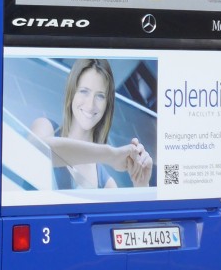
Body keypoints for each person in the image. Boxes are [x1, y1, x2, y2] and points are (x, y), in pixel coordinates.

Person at [30, 58, 153, 189]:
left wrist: (141, 184)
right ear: (72, 93)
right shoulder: (45, 127)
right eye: (84, 91)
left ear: (107, 105)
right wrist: (111, 155)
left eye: (100, 96)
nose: (90, 104)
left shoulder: (107, 185)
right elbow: (36, 151)